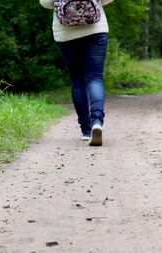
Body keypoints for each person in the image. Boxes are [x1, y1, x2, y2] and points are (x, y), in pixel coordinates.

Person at [40, 0, 114, 146]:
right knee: (95, 78)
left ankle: (86, 131)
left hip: (65, 33)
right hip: (95, 28)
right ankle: (97, 122)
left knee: (77, 80)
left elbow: (44, 2)